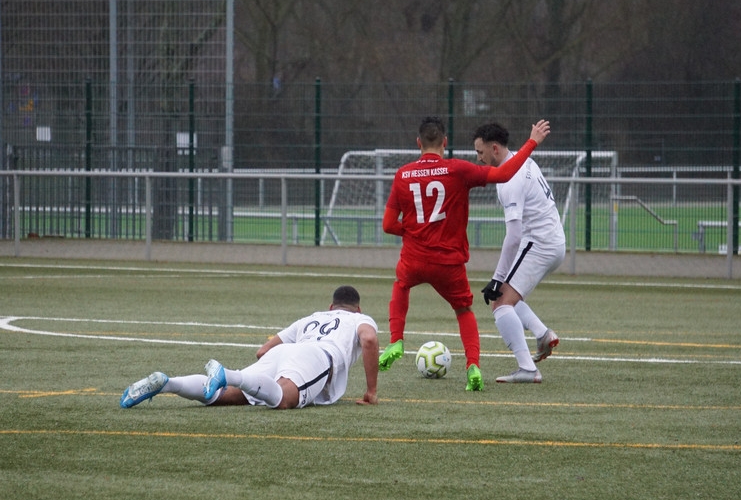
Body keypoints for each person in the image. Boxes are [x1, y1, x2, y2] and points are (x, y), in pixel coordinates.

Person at [378, 116, 551, 391]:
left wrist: (414, 231)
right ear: (445, 143)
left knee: (401, 286)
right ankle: (473, 367)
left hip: (414, 258)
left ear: (418, 143)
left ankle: (396, 340)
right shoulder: (456, 169)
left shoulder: (403, 174)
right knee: (463, 311)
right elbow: (504, 174)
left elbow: (388, 225)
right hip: (449, 262)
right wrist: (531, 143)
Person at [120, 285, 379, 409]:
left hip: (283, 353)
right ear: (358, 308)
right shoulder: (360, 319)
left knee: (224, 396)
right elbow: (368, 339)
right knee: (283, 400)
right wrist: (371, 391)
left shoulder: (310, 318)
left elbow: (262, 351)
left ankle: (168, 383)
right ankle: (229, 374)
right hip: (316, 357)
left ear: (331, 306)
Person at [473, 122, 566, 383]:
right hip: (552, 241)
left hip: (539, 243)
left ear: (494, 148)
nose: (479, 159)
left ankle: (528, 369)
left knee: (500, 302)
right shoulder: (520, 160)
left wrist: (496, 277)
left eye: (480, 152)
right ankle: (542, 334)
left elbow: (513, 236)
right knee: (509, 296)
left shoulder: (509, 179)